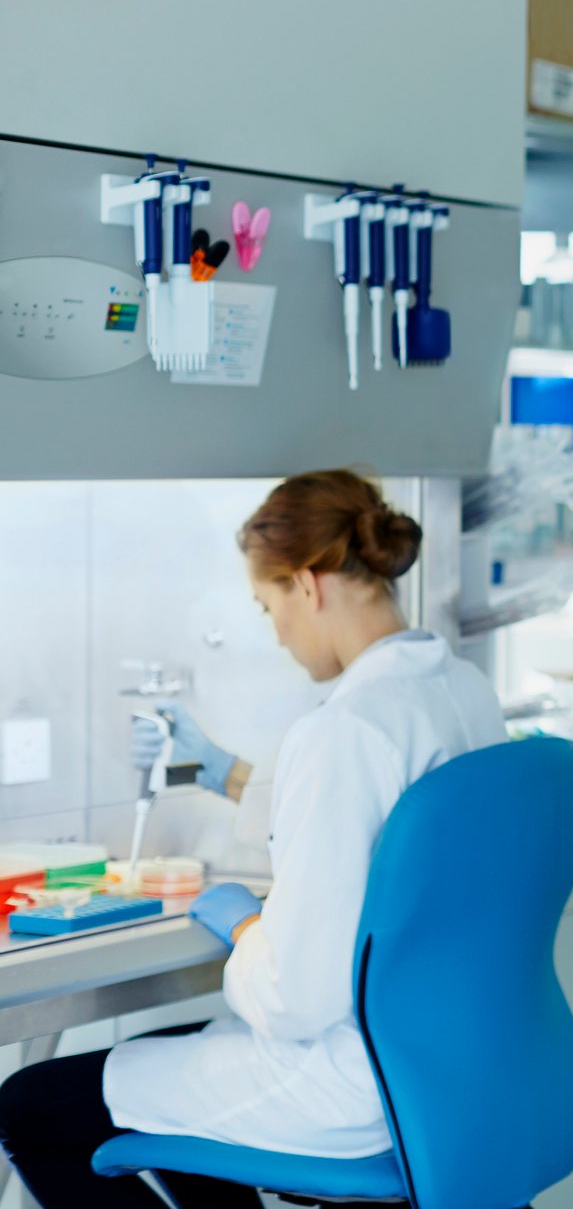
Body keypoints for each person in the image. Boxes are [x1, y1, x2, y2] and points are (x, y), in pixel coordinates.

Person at [0, 470, 507, 1207]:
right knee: (177, 1062)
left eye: (268, 607)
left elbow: (298, 998)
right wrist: (226, 773)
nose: (276, 634)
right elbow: (377, 818)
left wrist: (244, 927)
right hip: (444, 1064)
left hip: (349, 1084)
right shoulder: (461, 691)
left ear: (307, 584)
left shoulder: (345, 730)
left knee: (32, 1106)